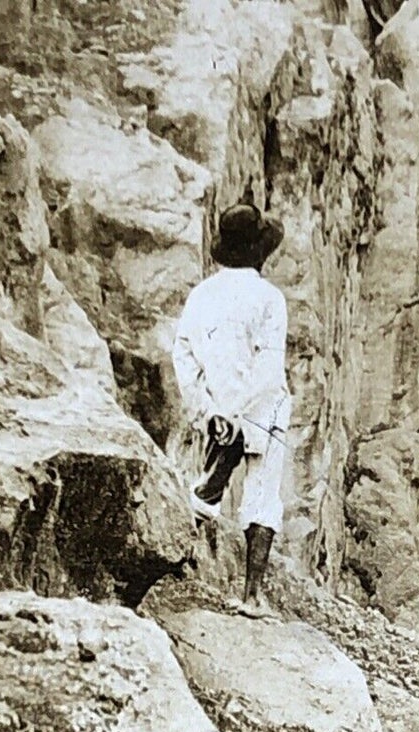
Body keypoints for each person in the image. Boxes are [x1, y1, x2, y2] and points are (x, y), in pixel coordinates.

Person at [170, 202, 292, 617]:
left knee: (209, 487)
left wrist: (210, 412)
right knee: (262, 496)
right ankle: (252, 596)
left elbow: (183, 356)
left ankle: (169, 572)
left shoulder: (201, 295)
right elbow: (269, 368)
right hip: (260, 408)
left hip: (219, 411)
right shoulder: (269, 299)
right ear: (258, 250)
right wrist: (240, 415)